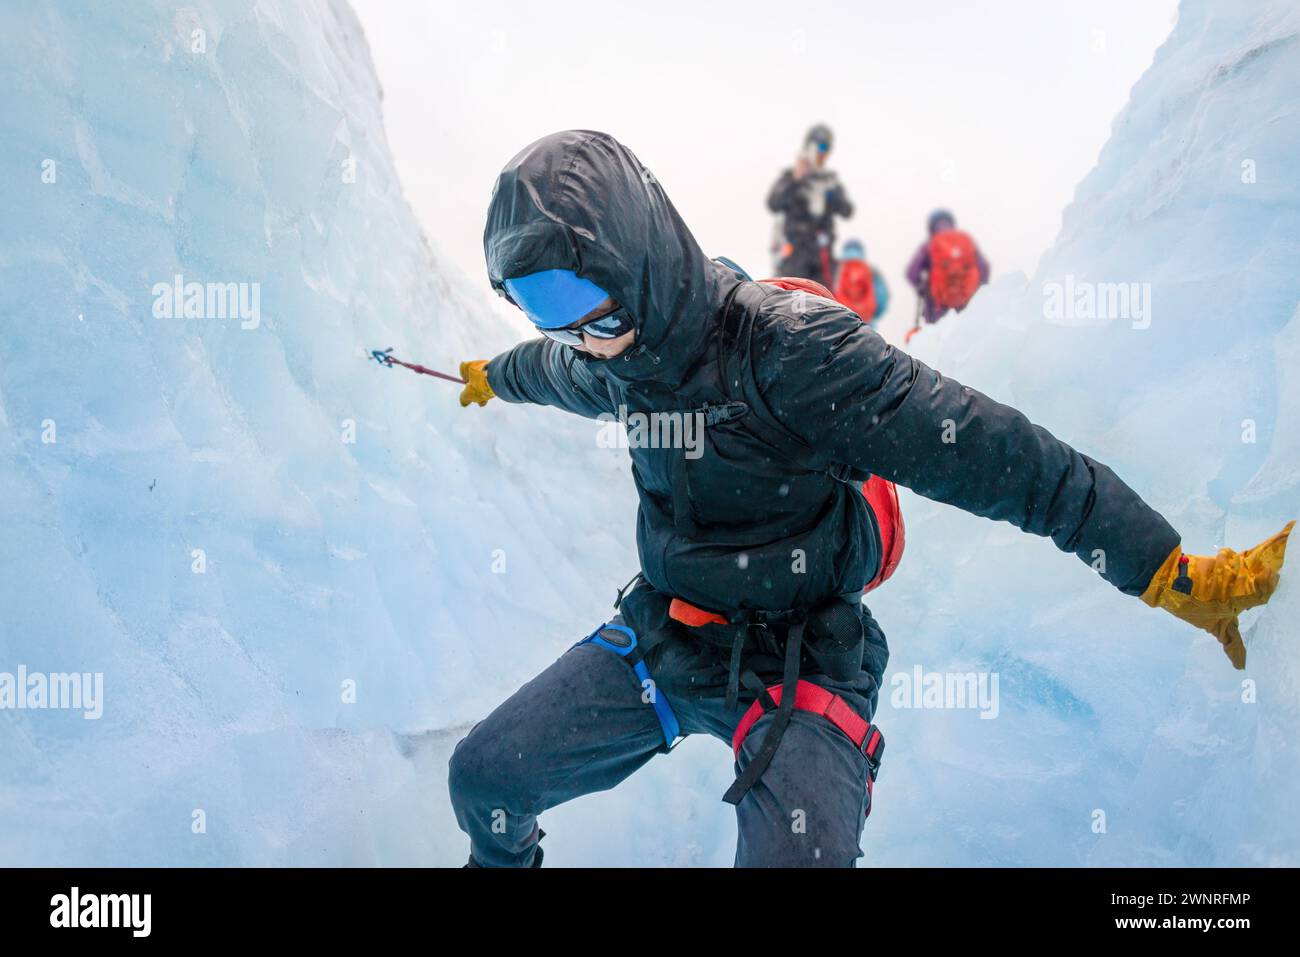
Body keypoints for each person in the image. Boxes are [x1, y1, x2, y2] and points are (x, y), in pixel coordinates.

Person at [451, 129, 1292, 868]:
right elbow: (553, 371)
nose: (568, 331)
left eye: (571, 300)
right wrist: (497, 375)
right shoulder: (609, 358)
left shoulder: (787, 351)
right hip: (669, 634)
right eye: (534, 307)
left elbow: (1003, 454)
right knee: (482, 778)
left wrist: (1163, 566)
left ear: (630, 258)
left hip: (803, 655)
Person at [766, 124, 853, 285]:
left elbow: (847, 211)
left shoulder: (829, 181)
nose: (823, 153)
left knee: (823, 305)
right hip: (795, 256)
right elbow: (773, 203)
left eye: (826, 148)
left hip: (823, 258)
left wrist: (832, 194)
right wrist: (795, 179)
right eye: (820, 147)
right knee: (791, 301)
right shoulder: (790, 178)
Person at [905, 208, 989, 326]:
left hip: (938, 308)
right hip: (967, 305)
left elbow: (911, 273)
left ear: (931, 226)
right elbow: (984, 268)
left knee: (940, 341)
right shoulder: (966, 241)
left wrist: (922, 288)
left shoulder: (929, 245)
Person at [833, 238, 889, 325]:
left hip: (840, 322)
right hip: (866, 324)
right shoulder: (872, 271)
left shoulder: (836, 269)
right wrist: (872, 315)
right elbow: (882, 298)